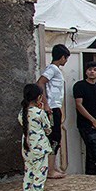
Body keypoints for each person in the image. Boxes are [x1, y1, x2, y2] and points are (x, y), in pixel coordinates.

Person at [18, 84, 57, 191]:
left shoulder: (22, 113)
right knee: (40, 173)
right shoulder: (39, 113)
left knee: (28, 172)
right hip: (39, 147)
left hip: (27, 147)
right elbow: (48, 128)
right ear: (39, 97)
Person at [36, 43, 70, 179]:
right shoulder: (52, 69)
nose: (66, 61)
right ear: (62, 57)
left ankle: (53, 166)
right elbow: (40, 82)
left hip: (55, 107)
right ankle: (50, 170)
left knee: (57, 137)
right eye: (65, 58)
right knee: (53, 138)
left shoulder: (55, 70)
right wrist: (45, 103)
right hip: (51, 107)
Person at [73, 61, 96, 175]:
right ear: (86, 72)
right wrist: (93, 120)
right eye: (90, 69)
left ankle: (91, 175)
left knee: (92, 151)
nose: (92, 72)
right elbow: (79, 104)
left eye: (95, 70)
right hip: (85, 124)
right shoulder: (79, 86)